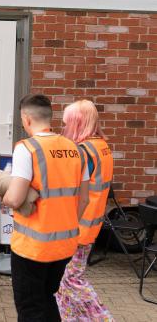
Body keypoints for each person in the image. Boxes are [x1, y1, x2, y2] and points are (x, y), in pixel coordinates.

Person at [2, 94, 90, 322]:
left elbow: (15, 198)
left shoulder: (27, 149)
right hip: (64, 246)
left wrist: (4, 193)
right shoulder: (77, 150)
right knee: (47, 297)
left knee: (30, 307)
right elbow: (84, 200)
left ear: (26, 119)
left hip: (32, 248)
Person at [55, 100, 114, 320]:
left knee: (71, 279)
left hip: (78, 226)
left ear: (77, 123)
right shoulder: (101, 147)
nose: (63, 128)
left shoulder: (83, 151)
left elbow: (71, 189)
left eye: (66, 123)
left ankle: (103, 318)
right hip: (91, 223)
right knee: (64, 281)